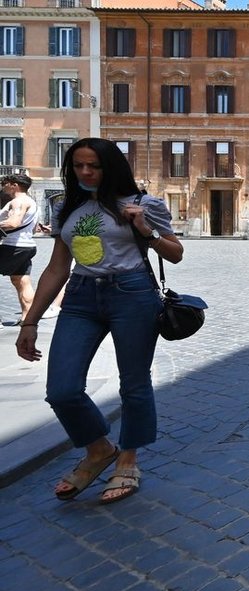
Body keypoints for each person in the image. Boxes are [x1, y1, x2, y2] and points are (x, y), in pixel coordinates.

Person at [14, 137, 184, 504]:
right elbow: (58, 267)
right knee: (62, 389)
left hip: (133, 294)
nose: (86, 172)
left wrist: (147, 231)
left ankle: (128, 459)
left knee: (134, 383)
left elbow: (176, 254)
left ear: (111, 167)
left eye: (94, 166)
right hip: (81, 296)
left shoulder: (143, 203)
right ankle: (98, 449)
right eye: (78, 166)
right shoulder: (68, 208)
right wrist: (30, 321)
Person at [0, 174, 38, 323]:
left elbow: (13, 222)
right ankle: (28, 319)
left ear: (14, 185)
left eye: (5, 184)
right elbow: (34, 229)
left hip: (12, 247)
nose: (3, 187)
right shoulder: (32, 203)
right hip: (27, 246)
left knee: (21, 282)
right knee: (21, 281)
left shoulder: (18, 201)